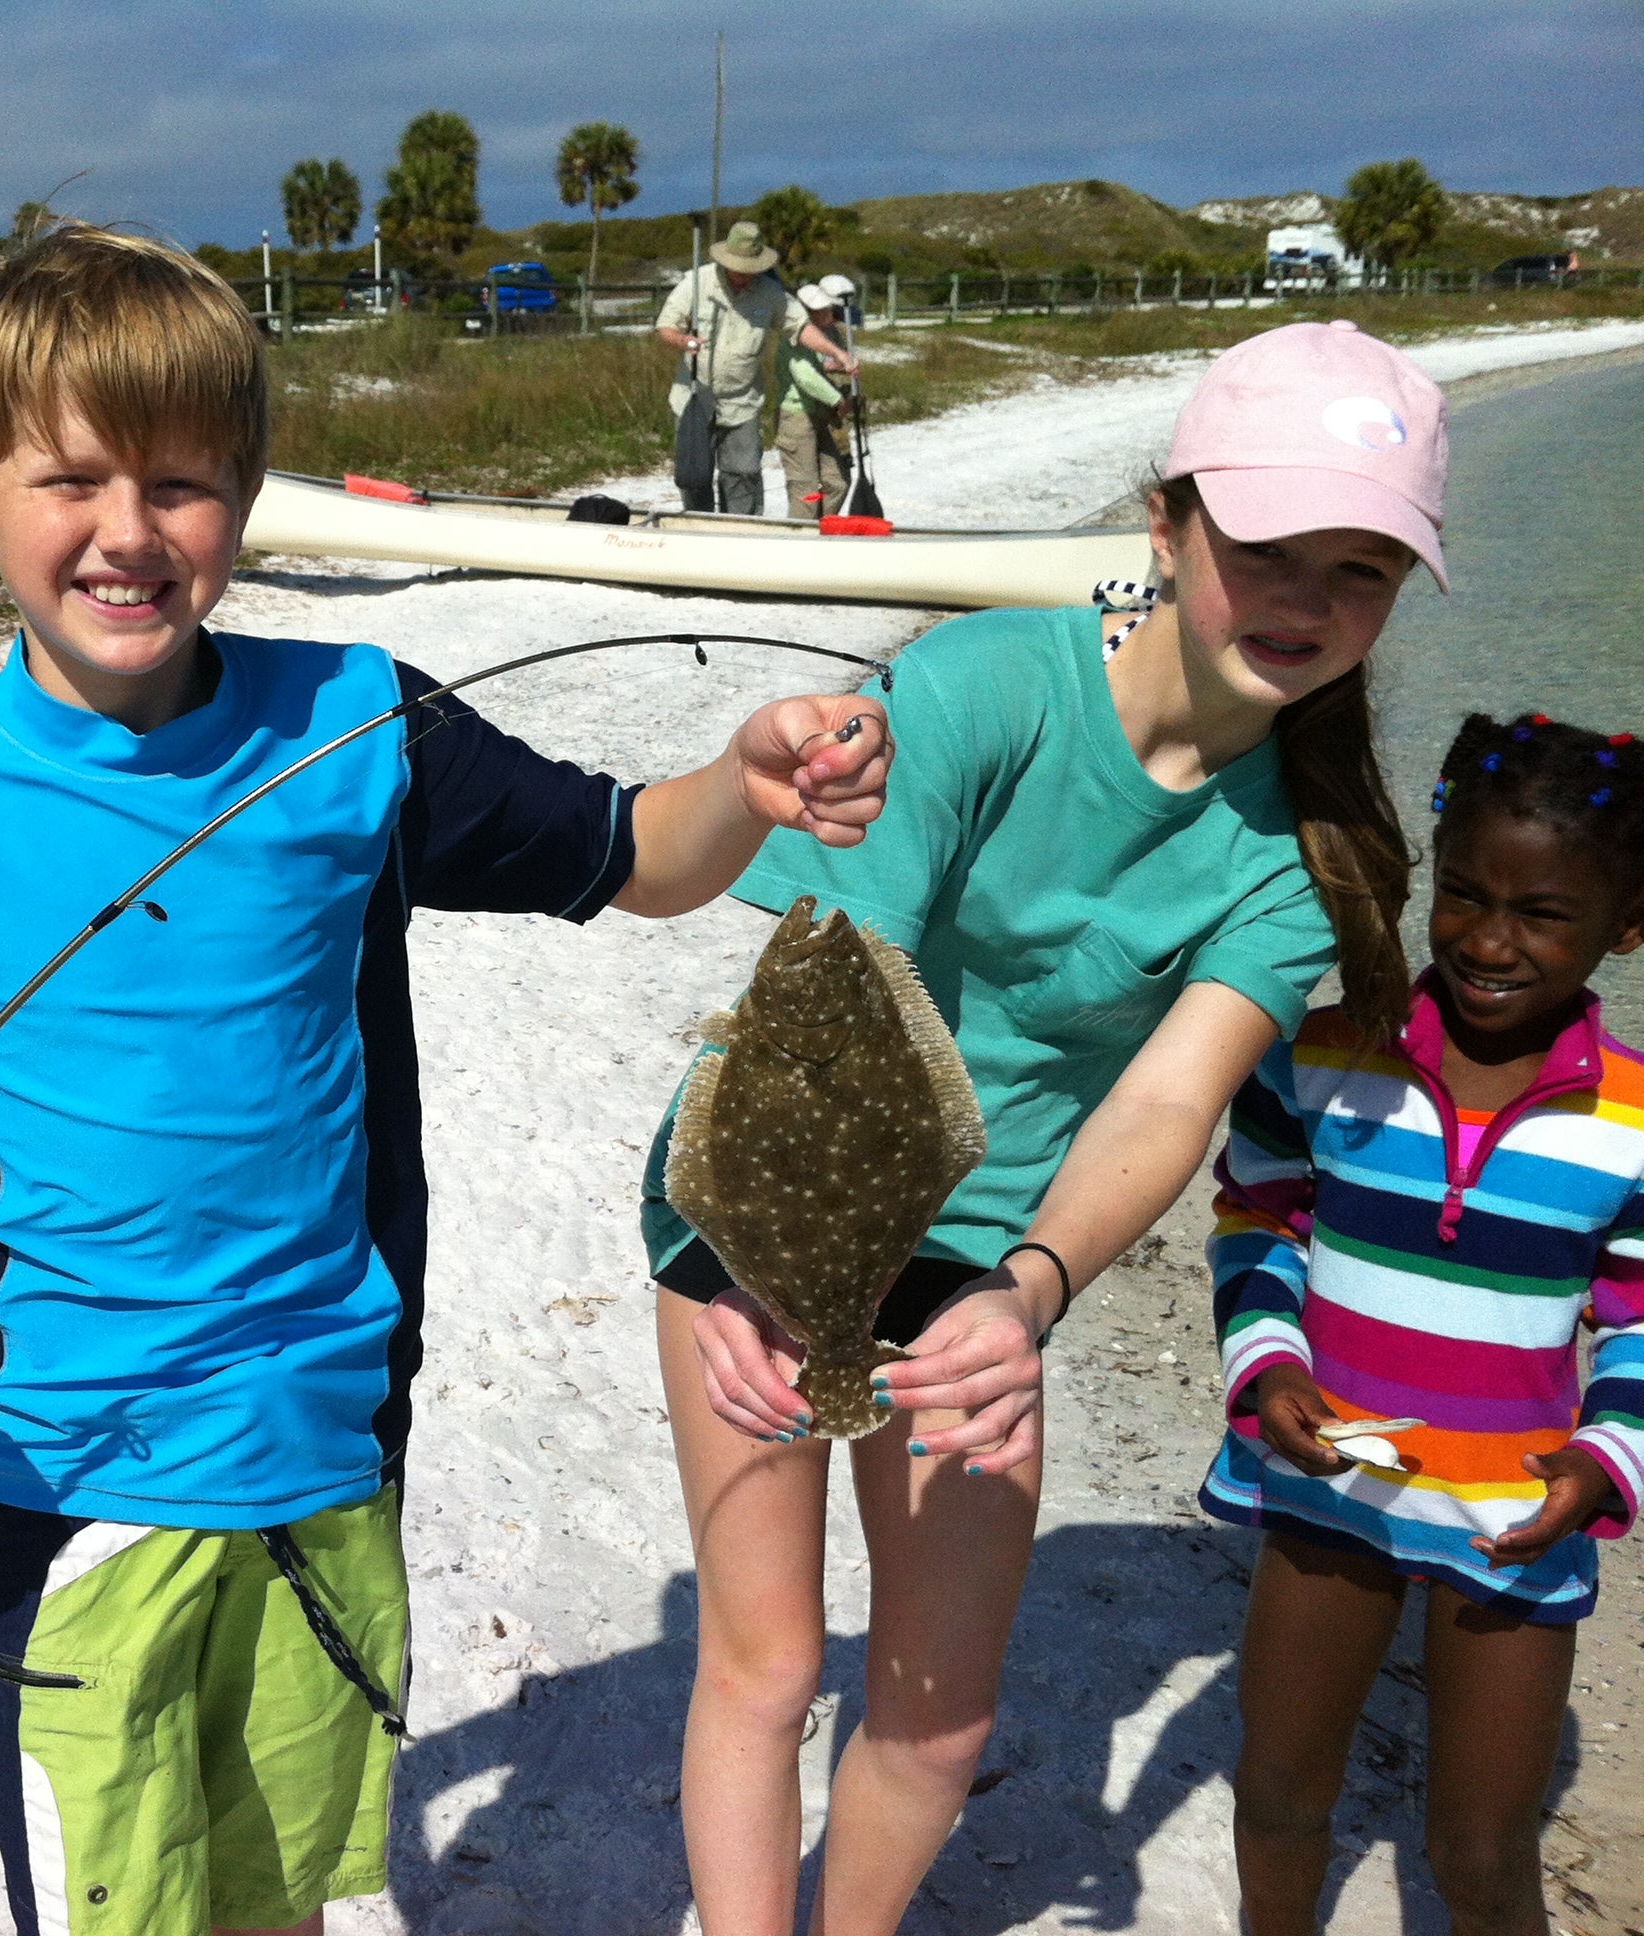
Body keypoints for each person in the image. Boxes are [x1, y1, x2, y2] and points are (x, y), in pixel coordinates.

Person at [0, 224, 893, 1936]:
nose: (128, 532)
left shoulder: (359, 724)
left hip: (323, 1434)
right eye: (67, 479)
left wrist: (739, 781)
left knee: (280, 1891)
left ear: (246, 492)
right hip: (60, 1460)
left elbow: (631, 854)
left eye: (181, 482)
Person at [640, 318, 1446, 1936]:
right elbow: (823, 989)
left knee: (938, 1717)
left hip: (984, 1254)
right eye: (1271, 548)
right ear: (1169, 523)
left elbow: (1163, 1101)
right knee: (772, 1657)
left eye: (1359, 573)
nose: (1307, 602)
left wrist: (1029, 1288)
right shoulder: (975, 688)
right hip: (760, 1200)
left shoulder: (1304, 856)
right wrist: (752, 1273)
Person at [1207, 711, 1644, 1936]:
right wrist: (1268, 1363)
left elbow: (1640, 1324)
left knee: (1482, 1853)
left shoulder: (1632, 1125)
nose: (1490, 940)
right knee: (1281, 1799)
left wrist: (1607, 1460)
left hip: (1517, 1518)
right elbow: (1258, 1216)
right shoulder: (1327, 1052)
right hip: (1329, 1485)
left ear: (1627, 925)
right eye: (1463, 895)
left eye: (1545, 913)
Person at [656, 221, 852, 515]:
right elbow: (664, 328)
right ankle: (699, 528)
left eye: (750, 270)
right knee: (694, 477)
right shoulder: (697, 283)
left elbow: (800, 327)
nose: (744, 276)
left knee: (743, 473)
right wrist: (685, 341)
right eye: (738, 269)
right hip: (694, 398)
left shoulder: (770, 292)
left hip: (743, 403)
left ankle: (740, 529)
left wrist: (837, 351)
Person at [775, 282, 851, 520]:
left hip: (818, 416)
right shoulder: (793, 336)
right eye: (825, 311)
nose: (831, 315)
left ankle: (820, 527)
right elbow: (804, 375)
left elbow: (821, 365)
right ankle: (801, 535)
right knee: (806, 490)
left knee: (837, 482)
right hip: (795, 418)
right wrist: (837, 399)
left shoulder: (822, 337)